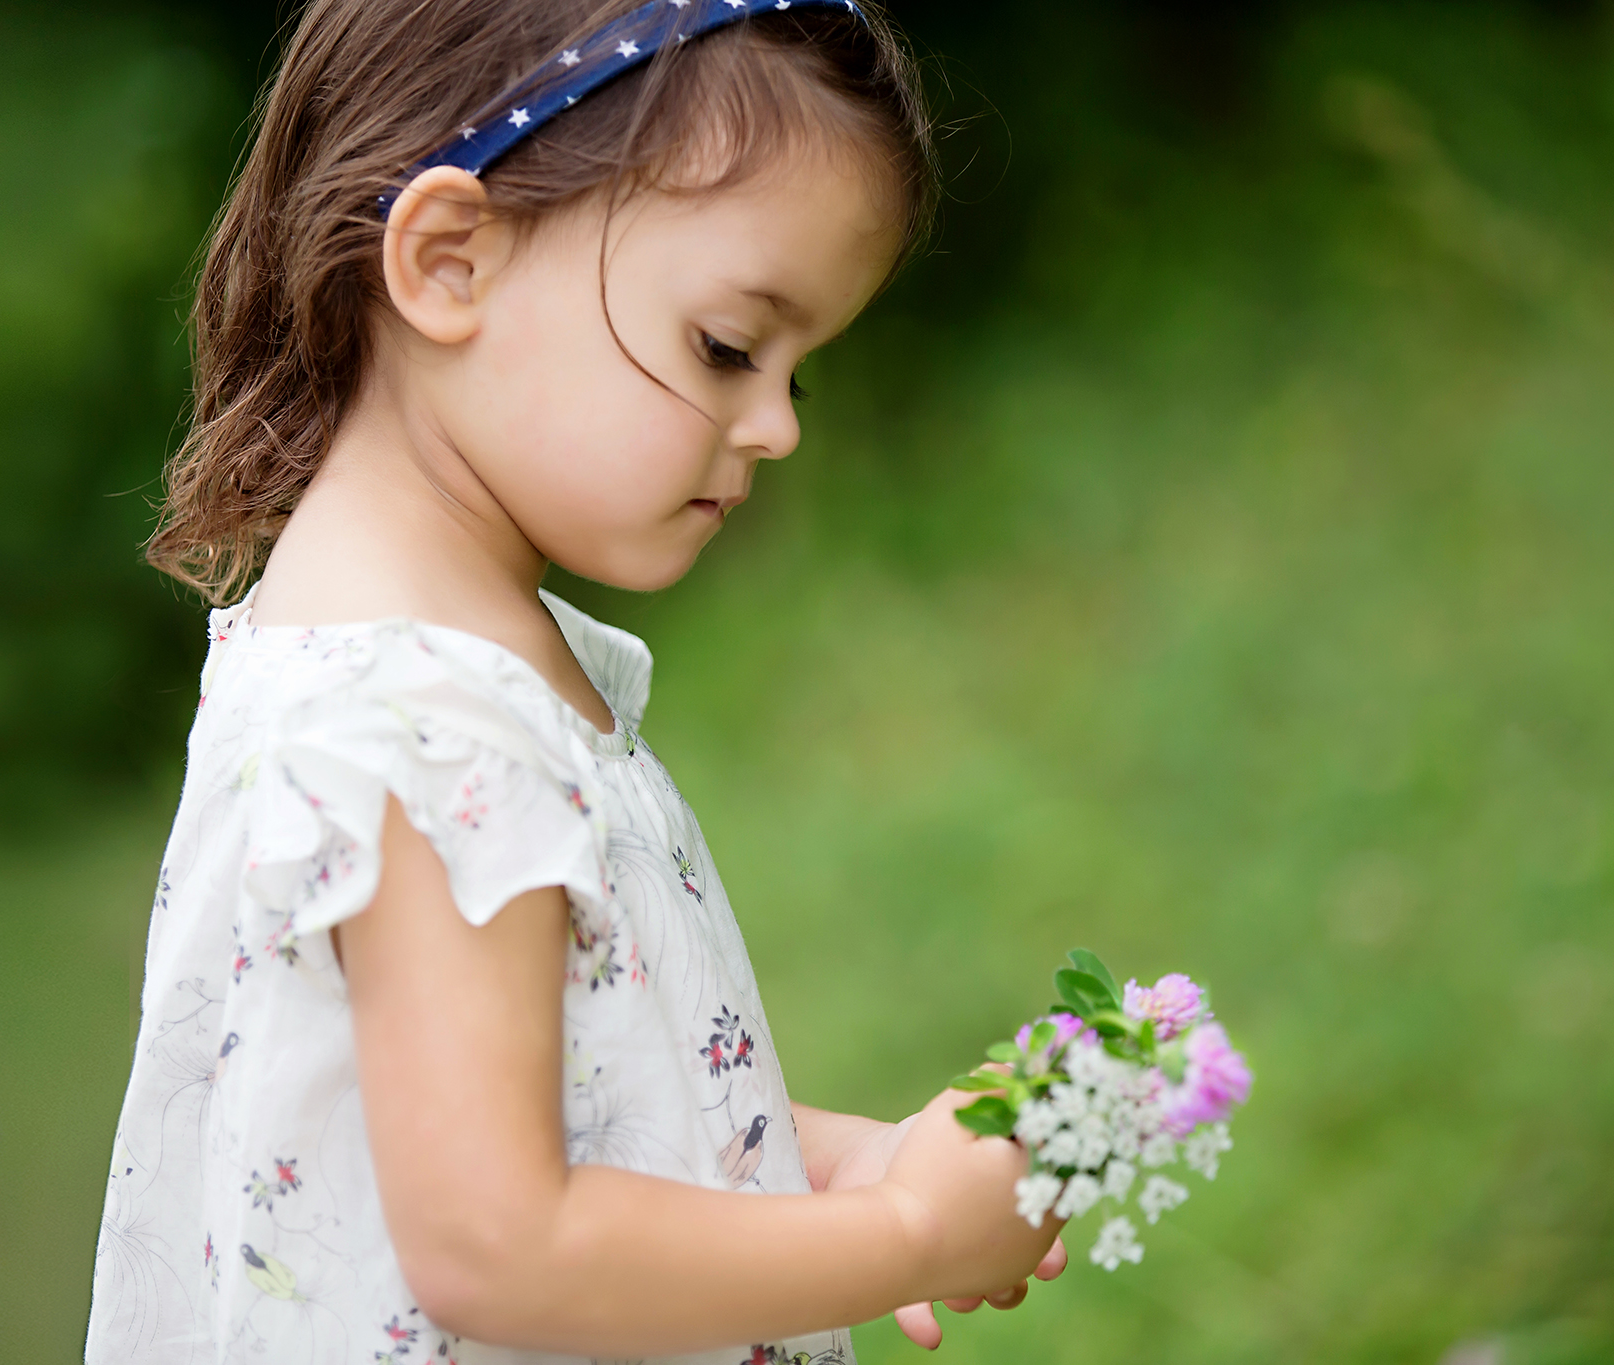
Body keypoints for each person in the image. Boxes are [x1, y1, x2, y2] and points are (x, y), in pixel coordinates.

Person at [86, 1, 1066, 1361]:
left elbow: (595, 1093)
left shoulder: (404, 658)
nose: (778, 426)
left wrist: (864, 1166)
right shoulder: (426, 727)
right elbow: (502, 1244)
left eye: (800, 368)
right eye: (729, 345)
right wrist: (899, 1242)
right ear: (450, 262)